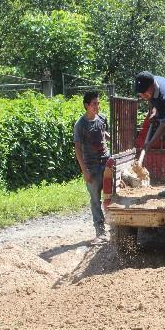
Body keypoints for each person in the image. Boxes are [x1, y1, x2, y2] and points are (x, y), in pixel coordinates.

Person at [73, 90, 110, 240]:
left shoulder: (102, 118)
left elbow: (104, 134)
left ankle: (115, 227)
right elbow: (77, 149)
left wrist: (111, 136)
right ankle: (100, 232)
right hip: (91, 167)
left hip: (106, 163)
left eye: (98, 103)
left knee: (112, 196)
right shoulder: (80, 125)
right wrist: (84, 171)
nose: (97, 106)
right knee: (95, 199)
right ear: (86, 105)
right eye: (94, 104)